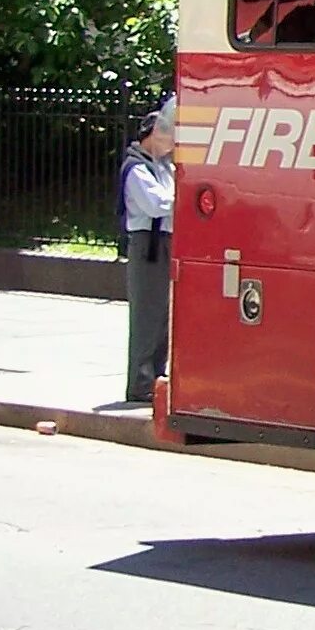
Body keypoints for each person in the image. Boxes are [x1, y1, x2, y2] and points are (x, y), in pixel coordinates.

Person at [121, 100, 176, 405]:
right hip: (147, 245)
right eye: (168, 133)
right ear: (152, 134)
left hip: (164, 242)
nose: (173, 141)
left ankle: (156, 376)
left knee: (163, 313)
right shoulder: (137, 168)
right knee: (146, 314)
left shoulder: (163, 168)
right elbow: (158, 204)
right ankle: (140, 384)